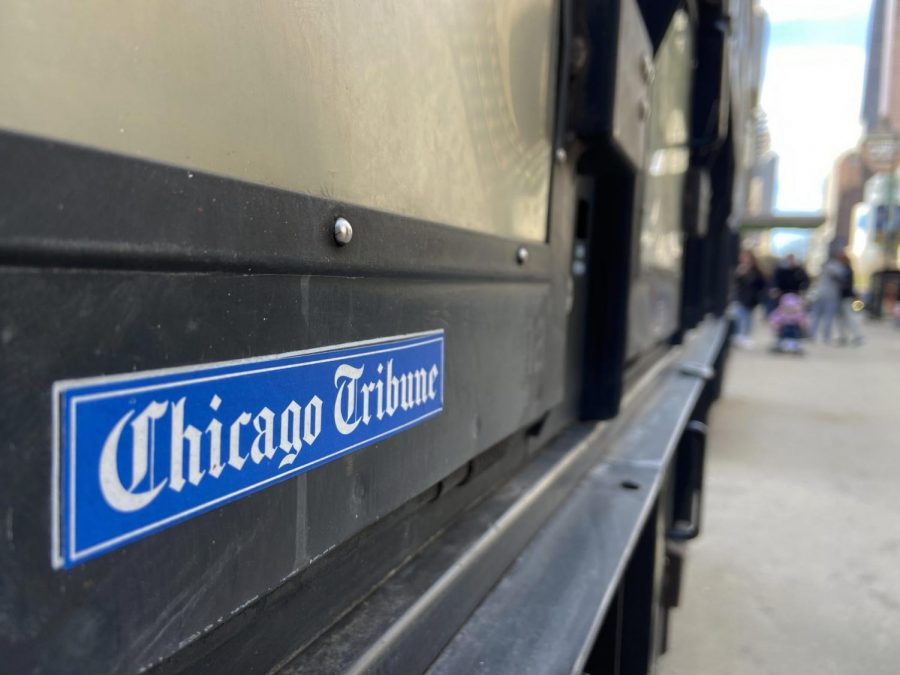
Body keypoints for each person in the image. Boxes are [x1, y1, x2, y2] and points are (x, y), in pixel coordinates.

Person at [808, 251, 847, 343]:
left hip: (822, 294)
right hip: (830, 295)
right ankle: (824, 337)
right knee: (827, 316)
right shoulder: (839, 267)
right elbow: (841, 279)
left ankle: (813, 335)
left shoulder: (825, 266)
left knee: (817, 315)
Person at [732, 250, 767, 347]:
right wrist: (739, 274)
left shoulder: (756, 271)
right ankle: (738, 335)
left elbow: (761, 284)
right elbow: (735, 282)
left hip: (752, 299)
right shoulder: (738, 269)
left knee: (748, 317)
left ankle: (744, 335)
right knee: (739, 316)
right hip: (740, 297)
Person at [836, 252, 863, 345]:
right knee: (841, 318)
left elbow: (846, 285)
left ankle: (857, 336)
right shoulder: (845, 270)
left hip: (845, 297)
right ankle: (843, 336)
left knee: (849, 317)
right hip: (842, 297)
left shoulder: (847, 270)